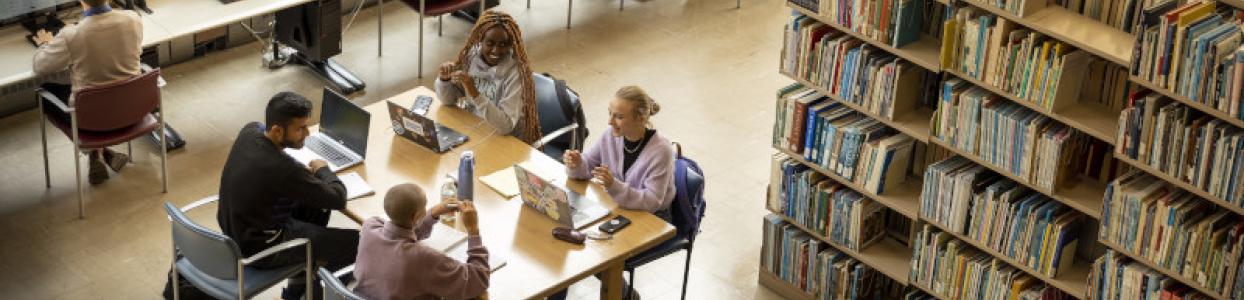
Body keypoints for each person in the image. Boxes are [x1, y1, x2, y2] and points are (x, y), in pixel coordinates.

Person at [217, 92, 360, 300]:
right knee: (358, 244)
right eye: (300, 128)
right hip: (261, 247)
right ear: (277, 130)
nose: (307, 133)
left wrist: (303, 176)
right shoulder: (282, 169)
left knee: (316, 205)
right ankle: (313, 296)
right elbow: (338, 198)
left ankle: (299, 286)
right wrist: (323, 170)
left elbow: (276, 171)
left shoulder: (250, 131)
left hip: (236, 230)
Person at [551, 86, 677, 300]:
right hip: (619, 208)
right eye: (610, 113)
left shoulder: (661, 150)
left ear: (641, 117)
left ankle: (625, 295)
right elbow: (588, 165)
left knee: (592, 252)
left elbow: (653, 201)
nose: (610, 122)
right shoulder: (611, 134)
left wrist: (614, 185)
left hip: (652, 217)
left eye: (618, 116)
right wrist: (576, 163)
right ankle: (625, 295)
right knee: (567, 239)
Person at [32, 0, 143, 184]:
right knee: (96, 89)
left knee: (44, 92)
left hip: (90, 121)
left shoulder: (72, 35)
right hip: (132, 110)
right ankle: (103, 153)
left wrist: (46, 43)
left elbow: (40, 67)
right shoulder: (133, 19)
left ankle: (95, 150)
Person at [353, 183, 490, 300]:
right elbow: (478, 279)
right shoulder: (424, 258)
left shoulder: (370, 227)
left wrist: (432, 213)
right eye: (425, 205)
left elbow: (400, 232)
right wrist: (473, 231)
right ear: (417, 217)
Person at [435, 10, 543, 145]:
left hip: (507, 142)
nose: (496, 51)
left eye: (502, 44)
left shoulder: (516, 74)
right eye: (490, 43)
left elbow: (506, 126)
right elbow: (448, 101)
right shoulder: (471, 57)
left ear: (510, 45)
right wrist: (444, 80)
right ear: (481, 40)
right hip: (476, 131)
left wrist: (474, 93)